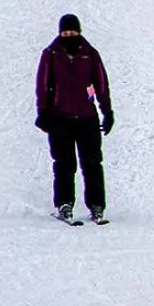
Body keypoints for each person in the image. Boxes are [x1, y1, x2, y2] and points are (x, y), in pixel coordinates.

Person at [34, 13, 114, 224]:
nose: (69, 35)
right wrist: (43, 112)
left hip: (87, 118)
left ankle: (97, 205)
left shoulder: (90, 54)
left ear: (79, 31)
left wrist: (107, 112)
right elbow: (43, 86)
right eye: (65, 32)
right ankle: (64, 204)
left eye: (72, 31)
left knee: (93, 163)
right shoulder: (51, 54)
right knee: (64, 164)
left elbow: (101, 84)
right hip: (60, 119)